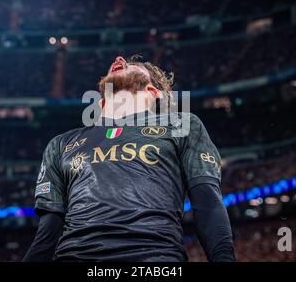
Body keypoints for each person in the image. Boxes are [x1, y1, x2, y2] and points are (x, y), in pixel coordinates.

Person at [23, 55, 234, 262]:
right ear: (103, 101)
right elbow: (48, 232)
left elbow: (208, 204)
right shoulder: (60, 144)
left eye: (133, 65)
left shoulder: (183, 126)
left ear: (153, 91)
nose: (119, 58)